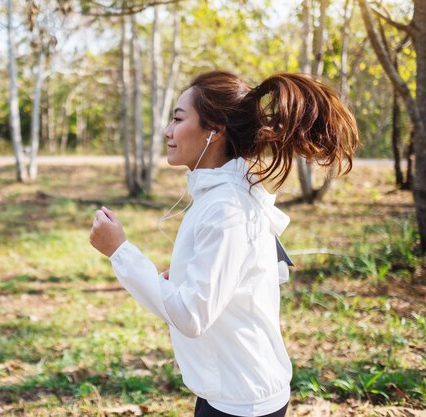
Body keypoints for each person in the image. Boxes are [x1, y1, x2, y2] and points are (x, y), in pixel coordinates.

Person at [89, 70, 359, 417]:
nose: (168, 131)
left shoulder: (227, 208)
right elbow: (248, 279)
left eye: (178, 118)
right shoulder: (227, 194)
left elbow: (191, 316)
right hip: (230, 390)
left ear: (214, 131)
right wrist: (188, 276)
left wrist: (120, 252)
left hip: (242, 401)